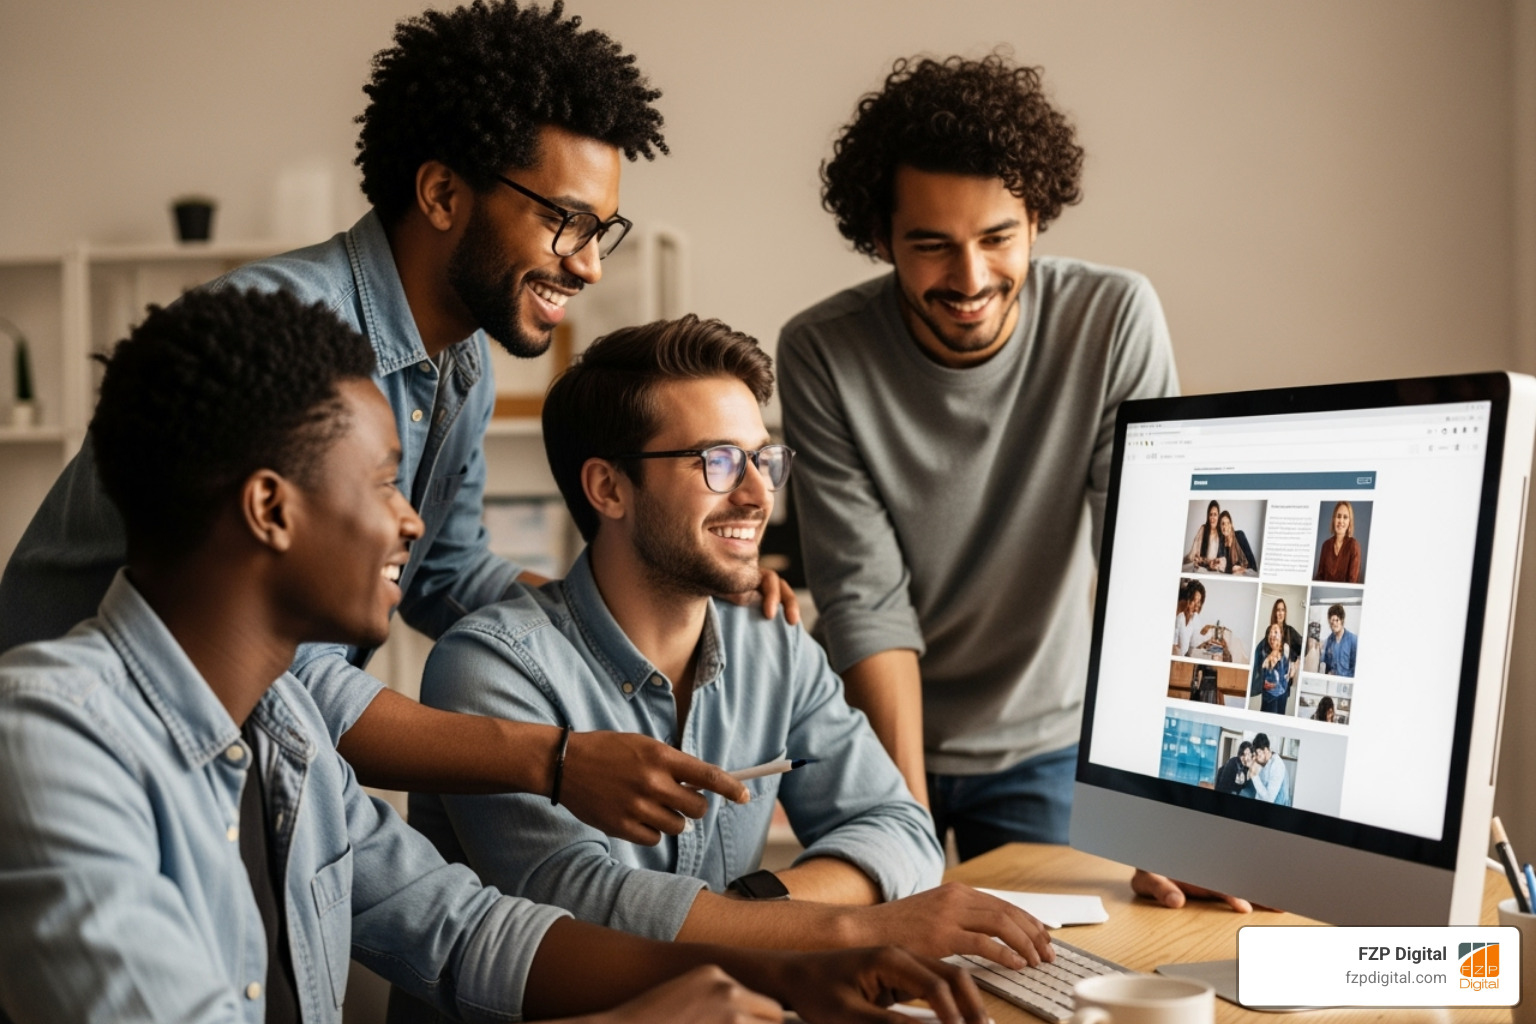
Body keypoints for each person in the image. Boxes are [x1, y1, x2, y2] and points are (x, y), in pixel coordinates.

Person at [0, 290, 987, 1024]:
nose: (412, 521)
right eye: (383, 482)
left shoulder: (286, 729)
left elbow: (464, 930)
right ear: (271, 508)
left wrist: (782, 972)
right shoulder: (48, 736)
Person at [0, 0, 776, 844]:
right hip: (75, 775)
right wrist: (554, 759)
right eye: (565, 221)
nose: (588, 264)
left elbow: (443, 571)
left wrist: (654, 584)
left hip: (222, 769)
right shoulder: (280, 339)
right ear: (442, 194)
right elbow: (286, 672)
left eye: (602, 230)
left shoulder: (463, 362)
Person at [395, 317, 1054, 1024]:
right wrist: (854, 926)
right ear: (609, 488)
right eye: (717, 461)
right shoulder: (490, 668)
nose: (757, 494)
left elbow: (898, 827)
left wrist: (753, 906)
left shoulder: (772, 644)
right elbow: (582, 911)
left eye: (763, 460)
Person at [776, 53, 1179, 858]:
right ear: (881, 237)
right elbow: (864, 599)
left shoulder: (1112, 320)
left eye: (997, 238)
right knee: (891, 923)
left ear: (1037, 221)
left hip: (1046, 739)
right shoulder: (822, 351)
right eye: (931, 245)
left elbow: (1146, 567)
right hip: (869, 728)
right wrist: (907, 835)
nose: (970, 279)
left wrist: (1163, 807)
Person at [1315, 501, 1362, 583]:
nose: (1341, 521)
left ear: (1349, 522)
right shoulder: (1325, 545)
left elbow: (1353, 581)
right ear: (1334, 519)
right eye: (1338, 516)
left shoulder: (1354, 546)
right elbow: (1319, 577)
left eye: (1345, 517)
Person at [1251, 623, 1291, 715]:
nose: (1272, 635)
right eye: (1270, 633)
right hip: (1269, 700)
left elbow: (1287, 675)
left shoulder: (1285, 651)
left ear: (1281, 636)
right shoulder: (1265, 656)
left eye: (1275, 632)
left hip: (1281, 699)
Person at [1172, 581, 1218, 657]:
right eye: (1194, 601)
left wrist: (1207, 640)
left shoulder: (1192, 618)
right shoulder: (1178, 617)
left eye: (1198, 603)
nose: (1196, 609)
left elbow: (1193, 642)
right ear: (1186, 599)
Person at [1248, 733, 1291, 806]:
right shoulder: (1266, 762)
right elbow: (1260, 792)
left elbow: (1269, 799)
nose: (1256, 758)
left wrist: (1254, 776)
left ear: (1265, 750)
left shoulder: (1277, 765)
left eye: (1258, 754)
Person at [1319, 604, 1359, 678]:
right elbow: (1326, 665)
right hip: (1332, 681)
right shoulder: (1329, 641)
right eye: (1332, 621)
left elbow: (1356, 668)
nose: (1334, 624)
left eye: (1337, 620)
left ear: (1342, 620)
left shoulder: (1353, 640)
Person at [1214, 510, 1257, 575]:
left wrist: (1242, 569)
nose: (1225, 527)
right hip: (1230, 575)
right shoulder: (1221, 543)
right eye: (1223, 524)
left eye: (1228, 523)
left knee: (1235, 568)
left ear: (1231, 524)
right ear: (1219, 526)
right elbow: (1221, 567)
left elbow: (1252, 563)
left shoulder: (1240, 535)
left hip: (1246, 573)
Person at [1184, 501, 1221, 571]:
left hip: (1213, 569)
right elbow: (1194, 553)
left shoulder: (1220, 534)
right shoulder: (1203, 529)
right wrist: (1197, 559)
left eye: (1215, 514)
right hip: (1201, 566)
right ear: (1208, 516)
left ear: (1218, 516)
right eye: (1210, 514)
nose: (1212, 518)